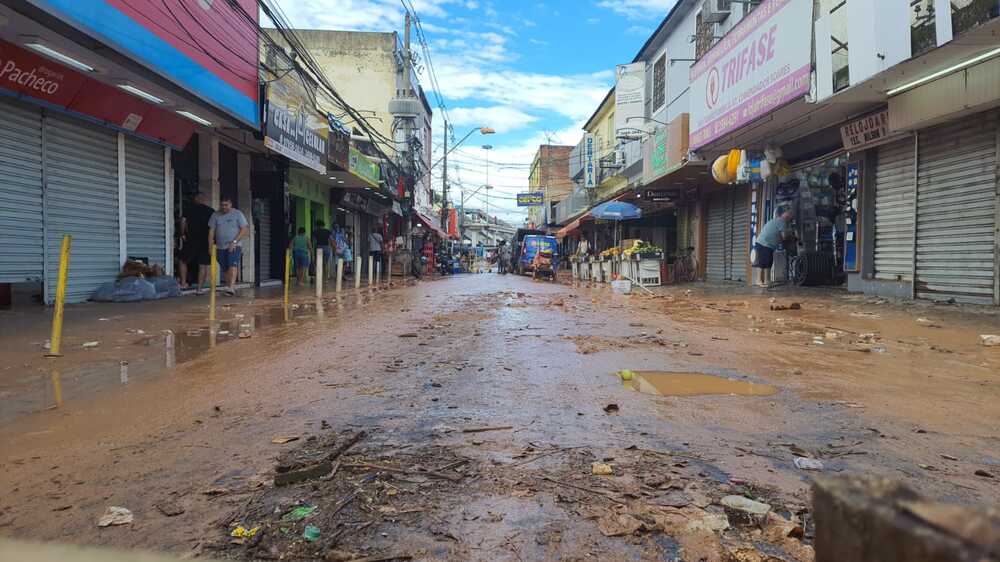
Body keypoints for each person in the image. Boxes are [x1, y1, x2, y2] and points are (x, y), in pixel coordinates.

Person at [207, 197, 249, 296]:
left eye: (226, 205)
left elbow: (244, 229)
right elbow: (211, 231)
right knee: (225, 267)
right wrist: (210, 246)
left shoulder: (238, 214)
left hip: (234, 245)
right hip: (220, 246)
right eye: (222, 205)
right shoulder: (215, 215)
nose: (224, 207)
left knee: (232, 264)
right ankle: (229, 287)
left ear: (231, 204)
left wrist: (234, 242)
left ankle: (231, 287)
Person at [178, 192, 214, 294]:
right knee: (203, 265)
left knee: (182, 260)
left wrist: (182, 234)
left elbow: (183, 221)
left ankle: (183, 284)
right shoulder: (210, 211)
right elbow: (214, 226)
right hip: (206, 241)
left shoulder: (189, 208)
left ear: (196, 198)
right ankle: (199, 289)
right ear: (204, 199)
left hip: (191, 239)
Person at [753, 208, 794, 287]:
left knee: (768, 262)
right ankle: (758, 280)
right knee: (762, 262)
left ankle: (767, 280)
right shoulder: (782, 222)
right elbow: (784, 236)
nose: (791, 219)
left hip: (767, 244)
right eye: (790, 216)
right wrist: (792, 236)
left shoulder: (776, 220)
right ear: (787, 216)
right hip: (764, 243)